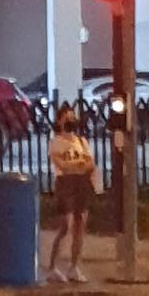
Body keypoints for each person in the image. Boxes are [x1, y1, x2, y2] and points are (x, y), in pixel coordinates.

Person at [46, 96, 100, 283]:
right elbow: (61, 164)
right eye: (67, 117)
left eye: (73, 117)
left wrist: (78, 166)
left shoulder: (81, 141)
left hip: (82, 184)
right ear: (60, 121)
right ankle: (53, 266)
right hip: (65, 185)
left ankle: (74, 267)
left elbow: (90, 163)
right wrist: (79, 165)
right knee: (65, 226)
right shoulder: (55, 142)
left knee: (80, 226)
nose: (71, 121)